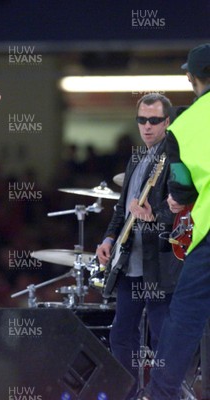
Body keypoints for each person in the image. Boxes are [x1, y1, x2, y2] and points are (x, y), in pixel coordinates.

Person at [95, 93, 182, 398]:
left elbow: (182, 208)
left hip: (159, 266)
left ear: (167, 122)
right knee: (121, 335)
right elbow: (122, 208)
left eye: (154, 120)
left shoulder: (173, 159)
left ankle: (161, 395)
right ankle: (130, 394)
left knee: (161, 339)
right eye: (142, 120)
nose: (147, 126)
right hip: (130, 262)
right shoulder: (136, 157)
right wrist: (108, 239)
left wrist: (152, 217)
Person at [139, 43, 210, 400]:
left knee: (185, 316)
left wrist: (175, 200)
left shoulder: (184, 124)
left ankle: (162, 394)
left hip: (209, 231)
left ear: (192, 78)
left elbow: (180, 189)